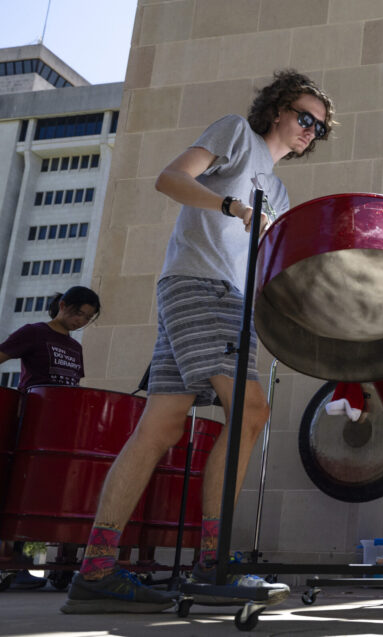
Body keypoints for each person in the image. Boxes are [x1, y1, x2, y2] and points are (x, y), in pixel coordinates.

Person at [62, 70, 334, 614]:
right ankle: (214, 565)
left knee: (159, 427)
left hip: (224, 299)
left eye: (320, 128)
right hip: (198, 287)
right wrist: (232, 207)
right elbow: (170, 178)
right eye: (304, 117)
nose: (310, 130)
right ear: (278, 110)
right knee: (252, 412)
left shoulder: (279, 189)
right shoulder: (238, 135)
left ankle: (95, 571)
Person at [0, 286, 100, 589]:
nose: (81, 321)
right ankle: (12, 563)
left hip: (63, 427)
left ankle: (60, 564)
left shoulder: (75, 348)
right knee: (21, 489)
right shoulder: (34, 332)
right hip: (32, 421)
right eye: (78, 313)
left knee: (56, 493)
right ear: (63, 305)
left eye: (88, 318)